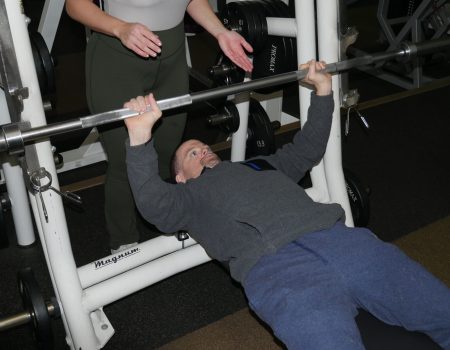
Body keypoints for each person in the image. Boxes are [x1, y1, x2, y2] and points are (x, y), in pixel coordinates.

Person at [123, 61, 450, 350]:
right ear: (180, 177)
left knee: (437, 307)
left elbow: (307, 149)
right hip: (279, 272)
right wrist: (139, 139)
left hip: (340, 241)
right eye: (191, 154)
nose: (203, 151)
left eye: (204, 146)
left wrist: (323, 91)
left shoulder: (260, 164)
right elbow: (153, 205)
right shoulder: (185, 197)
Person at [65, 0, 253, 253]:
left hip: (171, 57)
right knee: (124, 158)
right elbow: (75, 5)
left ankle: (171, 217)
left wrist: (219, 31)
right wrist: (120, 29)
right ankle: (123, 241)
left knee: (167, 150)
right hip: (117, 56)